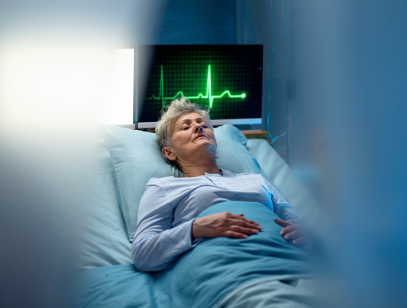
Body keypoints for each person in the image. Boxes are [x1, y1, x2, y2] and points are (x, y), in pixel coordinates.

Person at [131, 97, 308, 273]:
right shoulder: (163, 187)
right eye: (185, 127)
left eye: (204, 125)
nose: (199, 127)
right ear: (169, 152)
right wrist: (196, 228)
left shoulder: (256, 180)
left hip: (284, 261)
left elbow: (298, 225)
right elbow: (142, 254)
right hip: (222, 270)